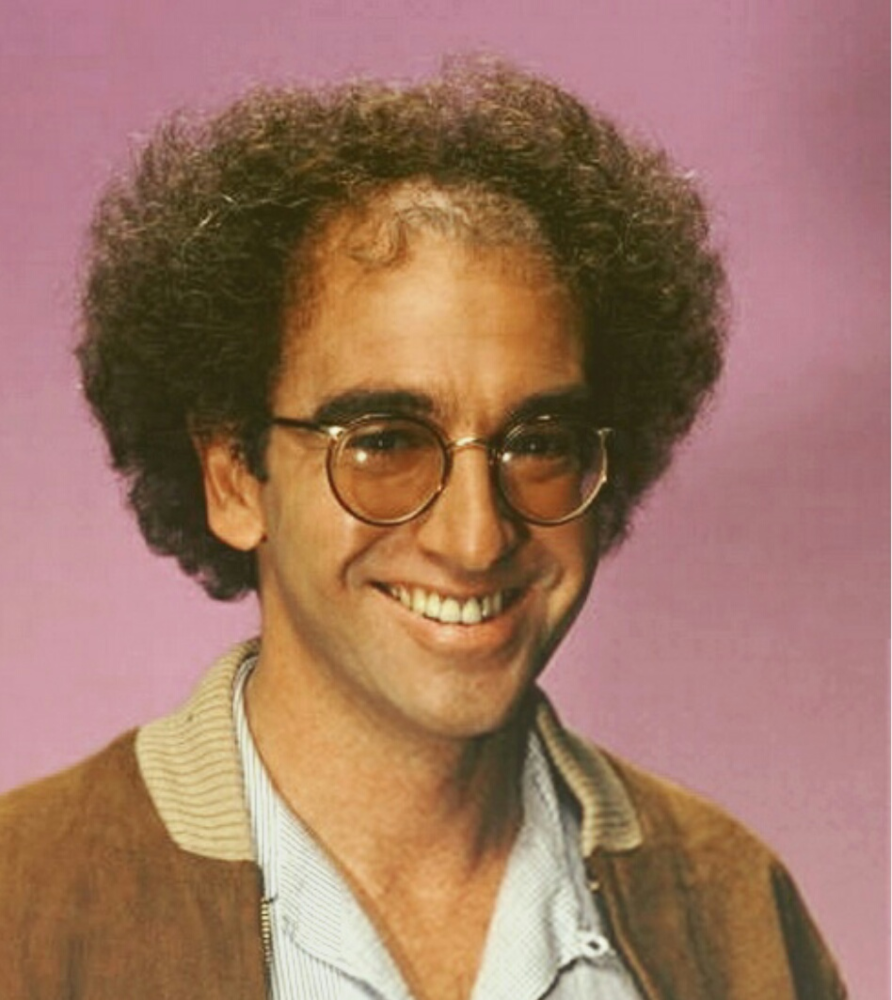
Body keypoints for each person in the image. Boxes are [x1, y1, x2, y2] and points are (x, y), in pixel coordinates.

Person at [0, 59, 845, 999]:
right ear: (234, 475)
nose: (475, 537)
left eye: (539, 441)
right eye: (385, 441)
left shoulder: (731, 909)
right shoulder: (23, 903)